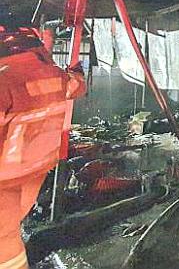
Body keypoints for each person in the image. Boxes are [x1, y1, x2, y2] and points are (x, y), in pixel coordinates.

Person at [0, 23, 85, 269]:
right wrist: (76, 70)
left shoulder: (4, 79)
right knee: (11, 227)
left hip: (5, 176)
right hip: (35, 169)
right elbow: (78, 86)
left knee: (5, 240)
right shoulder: (54, 74)